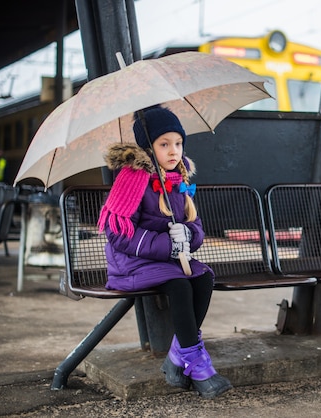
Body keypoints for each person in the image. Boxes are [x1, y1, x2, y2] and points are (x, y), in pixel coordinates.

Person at [97, 106, 232, 399]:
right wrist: (166, 243)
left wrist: (187, 235)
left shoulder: (177, 179)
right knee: (180, 285)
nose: (174, 151)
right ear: (148, 148)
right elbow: (119, 233)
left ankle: (176, 354)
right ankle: (197, 365)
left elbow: (197, 228)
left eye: (178, 143)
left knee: (204, 279)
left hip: (167, 259)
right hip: (132, 262)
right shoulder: (131, 179)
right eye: (164, 144)